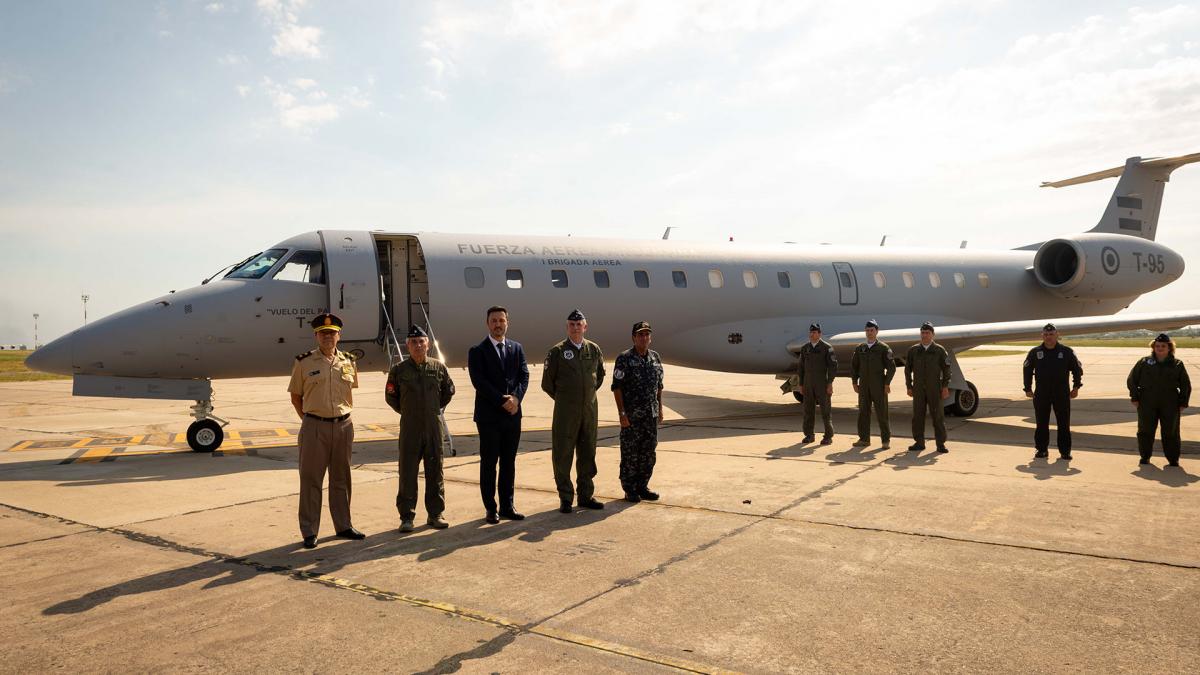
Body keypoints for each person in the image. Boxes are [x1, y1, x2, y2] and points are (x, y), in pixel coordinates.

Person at [287, 313, 365, 549]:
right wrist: (312, 421)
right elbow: (295, 397)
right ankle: (310, 531)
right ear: (316, 336)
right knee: (311, 479)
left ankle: (343, 525)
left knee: (341, 477)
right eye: (323, 333)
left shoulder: (348, 361)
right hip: (314, 426)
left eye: (332, 333)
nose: (327, 337)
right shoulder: (304, 362)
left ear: (339, 336)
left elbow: (350, 391)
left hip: (343, 425)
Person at [386, 325, 456, 532]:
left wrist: (431, 410)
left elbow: (448, 392)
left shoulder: (438, 367)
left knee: (435, 471)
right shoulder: (398, 370)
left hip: (434, 426)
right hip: (410, 428)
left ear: (428, 344)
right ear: (407, 345)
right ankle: (407, 517)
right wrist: (409, 412)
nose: (418, 345)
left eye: (421, 342)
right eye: (413, 342)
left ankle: (436, 514)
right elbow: (392, 397)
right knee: (407, 472)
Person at [467, 306, 529, 524]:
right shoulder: (478, 350)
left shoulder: (517, 348)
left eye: (501, 320)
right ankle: (490, 508)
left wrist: (516, 399)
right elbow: (479, 381)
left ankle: (507, 506)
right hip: (489, 417)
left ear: (507, 323)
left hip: (513, 415)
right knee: (489, 463)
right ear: (487, 324)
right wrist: (502, 400)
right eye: (494, 321)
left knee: (509, 462)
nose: (498, 324)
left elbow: (524, 375)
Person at [542, 309, 606, 513]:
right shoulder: (557, 352)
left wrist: (584, 397)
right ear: (567, 327)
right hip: (565, 413)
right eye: (572, 324)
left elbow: (600, 377)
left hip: (589, 411)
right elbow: (547, 384)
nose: (576, 327)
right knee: (563, 454)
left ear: (585, 327)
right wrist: (566, 400)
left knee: (588, 453)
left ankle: (586, 495)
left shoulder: (594, 349)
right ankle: (566, 498)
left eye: (579, 324)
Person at [612, 321, 665, 502]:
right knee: (630, 453)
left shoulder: (655, 358)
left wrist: (660, 408)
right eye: (640, 335)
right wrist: (622, 414)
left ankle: (643, 486)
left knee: (649, 452)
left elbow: (659, 387)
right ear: (634, 337)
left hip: (651, 415)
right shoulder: (624, 358)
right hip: (632, 417)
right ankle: (629, 488)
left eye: (646, 334)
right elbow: (617, 388)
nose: (644, 338)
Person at [1127, 333, 1191, 467]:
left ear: (1170, 348)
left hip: (1170, 401)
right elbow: (1132, 380)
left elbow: (1185, 384)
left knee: (1171, 431)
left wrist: (1183, 402)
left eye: (1163, 346)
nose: (1160, 348)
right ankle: (1145, 457)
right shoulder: (1144, 362)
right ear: (1153, 347)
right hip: (1147, 400)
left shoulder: (1177, 364)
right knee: (1145, 430)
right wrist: (1134, 397)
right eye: (1157, 346)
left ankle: (1173, 459)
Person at [1022, 323, 1083, 460]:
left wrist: (1076, 387)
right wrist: (1027, 388)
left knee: (1063, 423)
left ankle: (1065, 452)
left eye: (1051, 334)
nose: (1048, 337)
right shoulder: (1035, 352)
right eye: (1046, 334)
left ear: (1057, 335)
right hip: (1042, 393)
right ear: (1042, 336)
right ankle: (1042, 450)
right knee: (1041, 423)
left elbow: (1076, 369)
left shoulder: (1067, 352)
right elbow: (1027, 370)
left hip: (1061, 393)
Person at [905, 322, 951, 453]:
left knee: (938, 416)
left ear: (933, 334)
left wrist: (945, 386)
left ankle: (940, 444)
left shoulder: (939, 351)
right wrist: (909, 386)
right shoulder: (913, 350)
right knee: (918, 416)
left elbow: (947, 370)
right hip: (918, 389)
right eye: (923, 333)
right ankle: (919, 442)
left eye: (927, 333)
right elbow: (907, 370)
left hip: (934, 389)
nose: (924, 335)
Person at [851, 319, 896, 449]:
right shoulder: (860, 348)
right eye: (867, 330)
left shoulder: (883, 348)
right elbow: (854, 367)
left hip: (879, 385)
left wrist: (887, 383)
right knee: (863, 412)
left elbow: (891, 368)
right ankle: (864, 439)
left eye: (872, 330)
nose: (869, 333)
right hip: (864, 386)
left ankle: (885, 440)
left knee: (882, 413)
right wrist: (854, 382)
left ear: (877, 331)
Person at [797, 322, 837, 445]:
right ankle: (809, 435)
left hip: (822, 383)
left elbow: (832, 367)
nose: (812, 334)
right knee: (808, 410)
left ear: (820, 334)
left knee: (825, 411)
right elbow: (801, 367)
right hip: (808, 384)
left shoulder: (827, 348)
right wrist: (801, 384)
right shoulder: (805, 348)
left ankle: (828, 436)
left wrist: (830, 383)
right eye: (811, 332)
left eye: (814, 332)